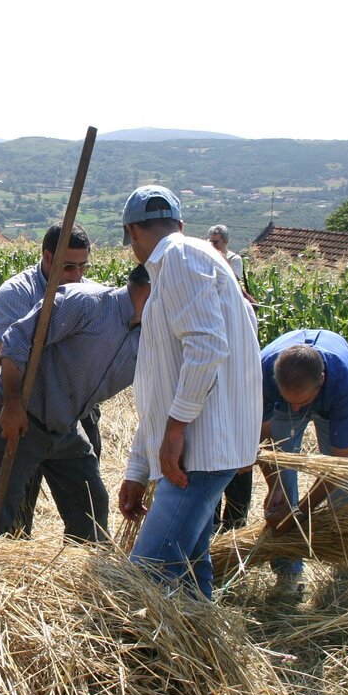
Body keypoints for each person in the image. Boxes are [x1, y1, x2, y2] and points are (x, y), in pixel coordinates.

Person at [117, 186, 261, 600]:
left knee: (144, 576)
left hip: (197, 452)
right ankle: (206, 655)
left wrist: (176, 429)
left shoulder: (177, 257)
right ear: (178, 222)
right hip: (191, 452)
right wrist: (138, 471)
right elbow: (161, 386)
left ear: (131, 232)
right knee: (190, 580)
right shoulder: (187, 262)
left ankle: (142, 658)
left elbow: (207, 347)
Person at [0, 266, 150, 541]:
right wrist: (12, 405)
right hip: (23, 414)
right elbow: (16, 341)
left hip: (65, 425)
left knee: (91, 504)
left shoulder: (150, 337)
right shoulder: (87, 303)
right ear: (151, 289)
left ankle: (81, 568)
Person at [0, 222, 95, 534]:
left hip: (75, 409)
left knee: (86, 500)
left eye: (82, 267)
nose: (77, 275)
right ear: (48, 257)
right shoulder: (16, 294)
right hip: (25, 408)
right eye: (69, 266)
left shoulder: (86, 293)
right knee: (17, 500)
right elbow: (12, 355)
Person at [259, 329, 348, 597]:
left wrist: (300, 513)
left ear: (322, 381)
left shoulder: (345, 384)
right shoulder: (262, 371)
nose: (297, 411)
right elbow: (262, 439)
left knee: (347, 487)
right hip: (287, 396)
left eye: (303, 403)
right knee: (282, 478)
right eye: (289, 401)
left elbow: (340, 466)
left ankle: (346, 553)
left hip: (333, 404)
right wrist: (276, 486)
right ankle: (288, 570)